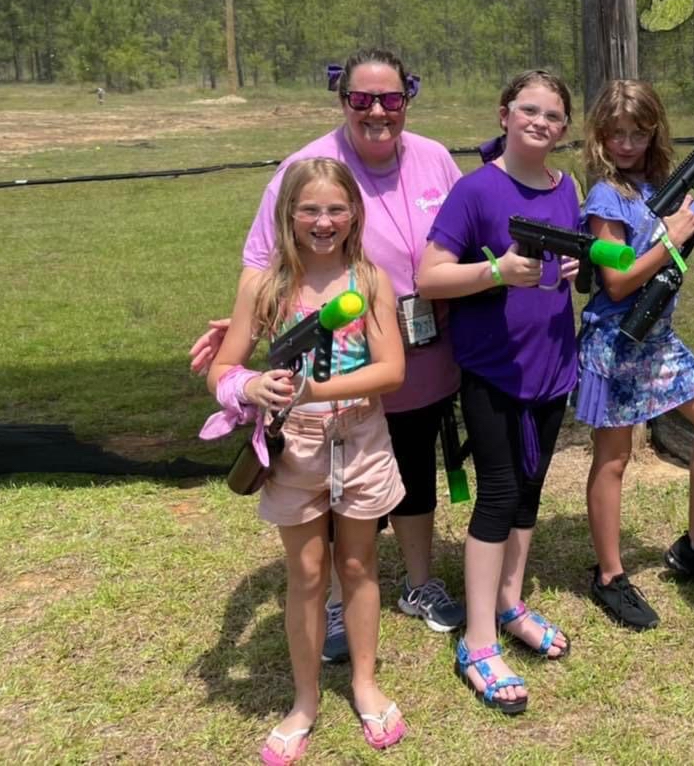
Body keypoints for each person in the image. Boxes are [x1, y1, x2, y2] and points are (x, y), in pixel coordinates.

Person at [191, 48, 466, 664]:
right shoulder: (305, 167)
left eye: (391, 99)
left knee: (411, 467)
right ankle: (338, 604)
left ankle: (419, 584)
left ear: (408, 99)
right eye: (361, 99)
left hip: (418, 352)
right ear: (342, 99)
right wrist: (249, 321)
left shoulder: (435, 159)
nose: (377, 111)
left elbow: (467, 235)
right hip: (330, 362)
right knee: (335, 489)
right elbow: (265, 263)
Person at [207, 158, 408, 762]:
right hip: (294, 448)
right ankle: (305, 701)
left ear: (355, 215)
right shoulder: (263, 286)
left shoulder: (369, 280)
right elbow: (225, 366)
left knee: (358, 564)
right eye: (310, 210)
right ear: (288, 216)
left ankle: (366, 685)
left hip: (361, 438)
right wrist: (248, 388)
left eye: (336, 210)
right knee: (309, 575)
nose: (324, 222)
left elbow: (392, 370)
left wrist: (315, 390)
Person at [416, 69, 579, 715]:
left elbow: (571, 270)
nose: (540, 122)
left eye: (553, 115)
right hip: (492, 373)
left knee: (532, 489)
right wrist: (495, 271)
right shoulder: (476, 190)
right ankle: (478, 640)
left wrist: (571, 266)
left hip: (552, 368)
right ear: (505, 114)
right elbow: (429, 276)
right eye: (529, 110)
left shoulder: (568, 189)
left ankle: (510, 602)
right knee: (501, 492)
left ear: (564, 129)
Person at [575, 79, 694, 630]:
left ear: (655, 132)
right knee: (615, 459)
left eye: (638, 133)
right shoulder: (607, 196)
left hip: (659, 339)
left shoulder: (661, 186)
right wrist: (668, 238)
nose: (627, 144)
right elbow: (618, 281)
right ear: (601, 137)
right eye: (616, 134)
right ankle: (609, 575)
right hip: (615, 341)